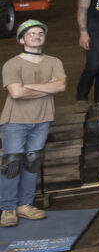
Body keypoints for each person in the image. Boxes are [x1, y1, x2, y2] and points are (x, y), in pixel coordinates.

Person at [2, 19, 65, 228]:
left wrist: (29, 86)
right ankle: (7, 208)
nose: (36, 37)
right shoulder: (12, 64)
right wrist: (48, 86)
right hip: (15, 121)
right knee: (12, 163)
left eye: (40, 33)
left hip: (42, 119)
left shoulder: (54, 61)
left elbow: (61, 87)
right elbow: (16, 93)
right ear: (22, 39)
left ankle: (25, 205)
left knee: (32, 163)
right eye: (31, 34)